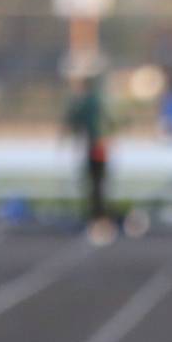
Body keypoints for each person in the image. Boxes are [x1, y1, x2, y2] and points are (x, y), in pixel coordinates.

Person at [63, 72, 114, 244]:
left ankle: (99, 221)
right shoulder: (97, 101)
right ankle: (99, 220)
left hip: (96, 149)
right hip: (97, 148)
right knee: (97, 187)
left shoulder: (89, 102)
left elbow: (74, 120)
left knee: (96, 187)